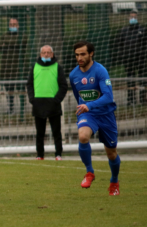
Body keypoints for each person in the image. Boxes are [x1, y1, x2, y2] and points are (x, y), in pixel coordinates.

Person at [70, 41, 120, 196]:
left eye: (83, 54)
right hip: (88, 114)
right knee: (83, 136)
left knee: (111, 153)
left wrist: (89, 105)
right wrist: (86, 108)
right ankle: (89, 172)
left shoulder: (100, 71)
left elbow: (108, 97)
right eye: (77, 54)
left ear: (91, 53)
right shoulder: (73, 75)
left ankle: (114, 181)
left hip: (105, 115)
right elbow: (78, 97)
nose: (79, 57)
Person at [27, 45, 67, 161]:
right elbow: (29, 84)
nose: (46, 54)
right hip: (38, 104)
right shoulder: (34, 67)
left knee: (56, 132)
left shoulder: (57, 67)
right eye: (44, 52)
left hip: (53, 104)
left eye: (48, 52)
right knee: (40, 132)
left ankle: (58, 154)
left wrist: (57, 100)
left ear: (52, 54)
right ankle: (40, 155)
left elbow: (64, 85)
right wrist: (32, 99)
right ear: (40, 54)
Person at [115, 11, 147, 105]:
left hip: (141, 59)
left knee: (142, 79)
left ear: (137, 18)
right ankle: (131, 99)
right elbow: (119, 44)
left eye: (135, 17)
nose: (133, 19)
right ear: (128, 18)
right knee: (130, 79)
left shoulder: (143, 30)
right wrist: (122, 55)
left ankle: (143, 99)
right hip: (128, 59)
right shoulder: (124, 30)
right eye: (131, 17)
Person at [0, 18, 28, 113]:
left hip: (19, 67)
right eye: (11, 24)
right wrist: (14, 45)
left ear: (18, 25)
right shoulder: (4, 35)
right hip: (7, 67)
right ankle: (11, 108)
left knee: (21, 89)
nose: (13, 26)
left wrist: (7, 44)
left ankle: (22, 109)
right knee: (9, 90)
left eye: (14, 24)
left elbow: (23, 43)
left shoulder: (23, 35)